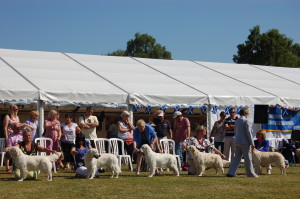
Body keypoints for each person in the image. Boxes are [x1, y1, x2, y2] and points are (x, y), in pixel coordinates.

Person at [227, 107, 258, 178]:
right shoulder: (245, 121)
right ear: (245, 113)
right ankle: (250, 174)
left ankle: (231, 172)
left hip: (237, 141)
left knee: (236, 158)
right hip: (245, 142)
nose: (248, 115)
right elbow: (249, 133)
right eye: (247, 114)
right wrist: (252, 143)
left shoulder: (237, 121)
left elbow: (236, 131)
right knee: (248, 159)